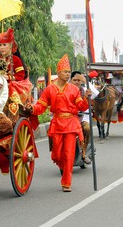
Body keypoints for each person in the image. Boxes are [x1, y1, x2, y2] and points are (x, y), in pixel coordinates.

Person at [26, 54, 92, 192]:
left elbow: (81, 106)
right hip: (57, 123)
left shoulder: (74, 89)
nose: (68, 74)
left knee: (68, 154)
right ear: (59, 72)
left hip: (71, 123)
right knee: (56, 154)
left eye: (69, 72)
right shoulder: (50, 89)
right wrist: (31, 108)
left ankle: (66, 182)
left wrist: (86, 98)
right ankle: (63, 166)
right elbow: (41, 106)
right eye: (66, 72)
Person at [0, 28, 32, 124]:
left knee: (8, 88)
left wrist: (8, 77)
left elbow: (21, 76)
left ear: (11, 46)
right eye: (0, 45)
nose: (2, 47)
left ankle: (11, 120)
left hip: (11, 87)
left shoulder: (15, 60)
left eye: (4, 45)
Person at [70, 71, 99, 165]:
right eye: (75, 80)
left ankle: (83, 152)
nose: (77, 82)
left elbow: (96, 93)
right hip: (69, 117)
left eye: (79, 80)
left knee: (86, 128)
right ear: (70, 80)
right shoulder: (66, 89)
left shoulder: (85, 90)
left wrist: (86, 81)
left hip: (83, 116)